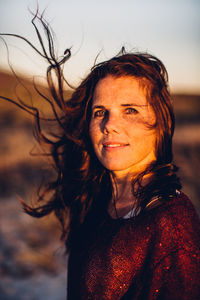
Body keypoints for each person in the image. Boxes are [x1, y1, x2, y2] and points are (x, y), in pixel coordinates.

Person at [1, 14, 200, 300]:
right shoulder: (97, 200)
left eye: (130, 110)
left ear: (161, 124)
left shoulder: (171, 224)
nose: (109, 124)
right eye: (99, 112)